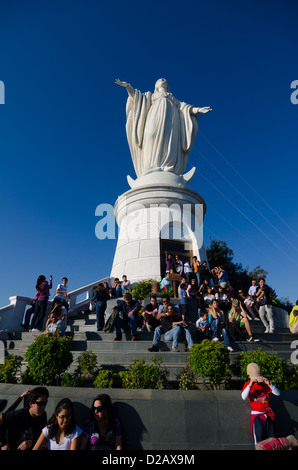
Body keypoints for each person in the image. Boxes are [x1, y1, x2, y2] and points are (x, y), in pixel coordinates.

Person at [115, 78, 211, 178]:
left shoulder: (172, 98)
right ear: (156, 85)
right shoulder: (150, 96)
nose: (163, 79)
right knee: (150, 134)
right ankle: (151, 166)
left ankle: (167, 166)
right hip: (154, 114)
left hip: (171, 119)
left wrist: (199, 109)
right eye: (159, 80)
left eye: (165, 80)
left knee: (169, 140)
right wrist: (128, 86)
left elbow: (184, 108)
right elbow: (137, 97)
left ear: (168, 86)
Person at [241, 362, 280, 445]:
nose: (257, 380)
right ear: (249, 376)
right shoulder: (247, 385)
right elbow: (243, 397)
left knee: (272, 439)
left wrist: (269, 384)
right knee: (259, 439)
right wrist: (250, 385)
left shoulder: (264, 384)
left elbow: (277, 393)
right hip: (257, 417)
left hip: (268, 415)